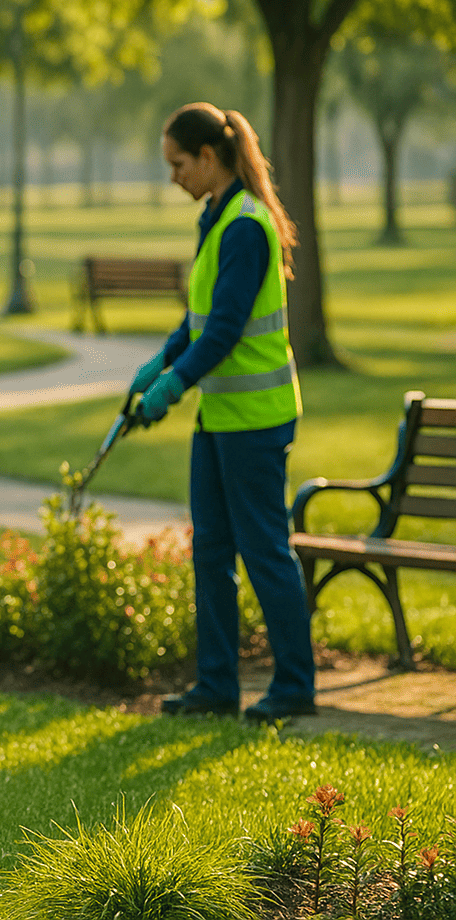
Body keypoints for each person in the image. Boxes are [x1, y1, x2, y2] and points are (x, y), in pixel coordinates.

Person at [130, 101, 316, 724]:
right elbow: (202, 317)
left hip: (257, 418)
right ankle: (215, 686)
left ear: (209, 157)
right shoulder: (215, 215)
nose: (174, 176)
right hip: (222, 417)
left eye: (179, 164)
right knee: (210, 549)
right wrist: (163, 357)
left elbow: (230, 330)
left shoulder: (244, 224)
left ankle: (294, 685)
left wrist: (173, 385)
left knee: (263, 549)